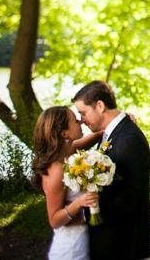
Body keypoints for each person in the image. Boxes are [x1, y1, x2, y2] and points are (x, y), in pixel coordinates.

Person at [73, 80, 150, 260]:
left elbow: (131, 197)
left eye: (83, 113)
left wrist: (90, 210)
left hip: (122, 241)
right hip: (112, 239)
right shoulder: (112, 132)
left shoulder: (129, 139)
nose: (82, 119)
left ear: (100, 106)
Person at [31, 106, 101, 260]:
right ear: (64, 133)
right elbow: (54, 220)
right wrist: (79, 203)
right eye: (76, 121)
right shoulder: (56, 170)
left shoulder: (67, 151)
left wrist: (113, 122)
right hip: (71, 249)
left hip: (85, 238)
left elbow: (86, 141)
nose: (81, 121)